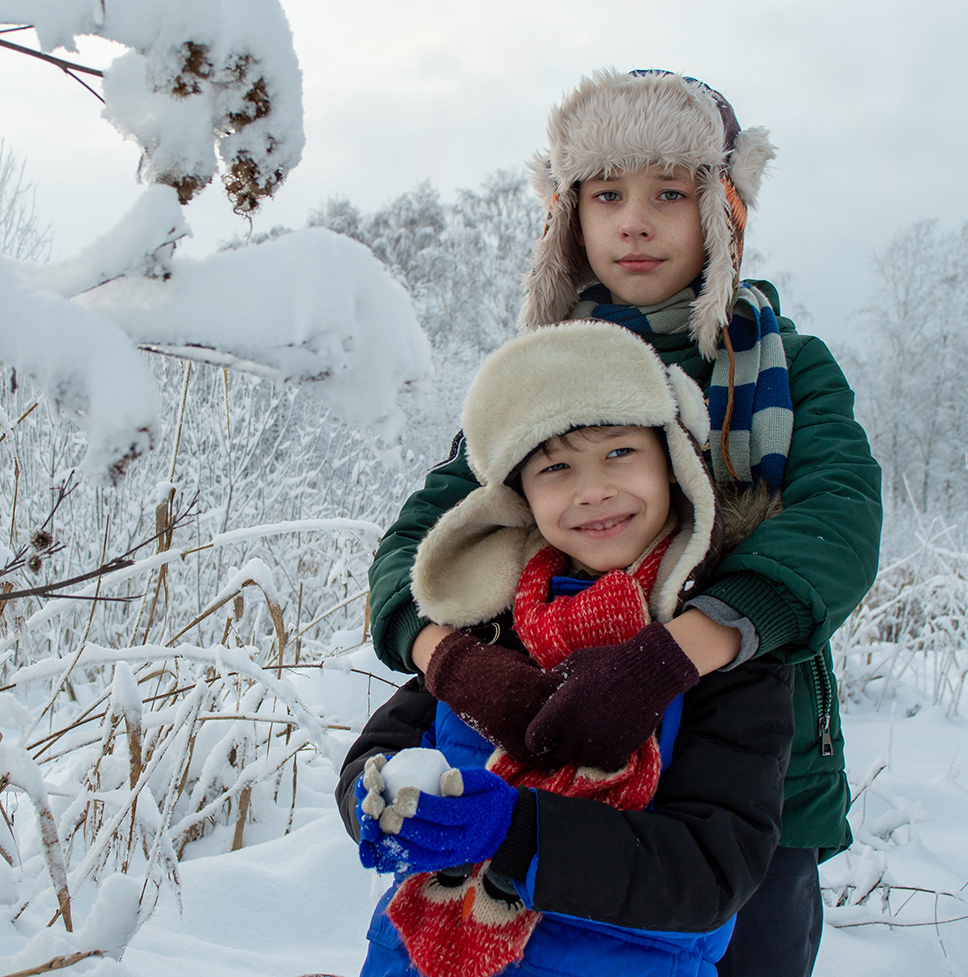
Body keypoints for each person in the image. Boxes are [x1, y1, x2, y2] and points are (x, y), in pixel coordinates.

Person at [364, 69, 883, 976]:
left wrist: (672, 657)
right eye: (607, 194)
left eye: (669, 194)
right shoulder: (540, 382)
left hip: (755, 777)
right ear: (571, 214)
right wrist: (452, 660)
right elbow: (421, 546)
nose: (634, 222)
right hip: (540, 766)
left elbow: (838, 524)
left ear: (722, 210)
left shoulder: (788, 368)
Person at [337, 321, 794, 977]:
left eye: (619, 453)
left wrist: (518, 832)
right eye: (556, 467)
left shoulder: (719, 652)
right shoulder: (488, 621)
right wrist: (378, 805)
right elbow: (376, 754)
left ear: (674, 461)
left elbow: (711, 872)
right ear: (521, 494)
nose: (592, 490)